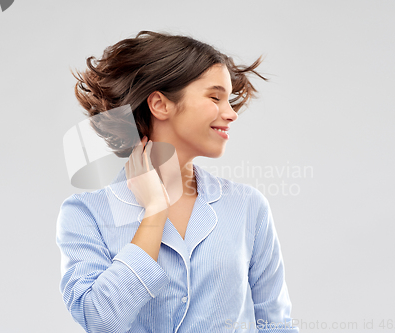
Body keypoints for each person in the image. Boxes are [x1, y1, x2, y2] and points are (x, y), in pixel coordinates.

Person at [56, 30, 299, 333]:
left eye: (229, 100)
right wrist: (155, 212)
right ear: (160, 104)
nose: (231, 113)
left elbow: (276, 324)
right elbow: (101, 320)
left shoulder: (247, 207)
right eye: (215, 97)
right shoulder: (86, 214)